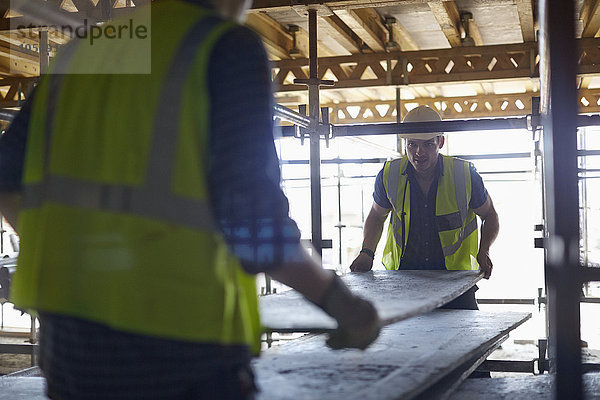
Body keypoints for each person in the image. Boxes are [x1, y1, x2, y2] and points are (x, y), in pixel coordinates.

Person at [0, 1, 379, 398]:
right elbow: (254, 226)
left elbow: (6, 181)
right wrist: (341, 304)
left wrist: (73, 257)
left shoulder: (84, 50)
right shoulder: (222, 47)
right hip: (180, 351)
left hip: (71, 351)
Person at [349, 105, 499, 310]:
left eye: (428, 144)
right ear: (405, 144)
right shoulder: (389, 175)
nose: (419, 152)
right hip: (403, 283)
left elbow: (489, 215)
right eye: (412, 145)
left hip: (455, 284)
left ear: (441, 142)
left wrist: (484, 250)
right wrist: (367, 252)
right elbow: (376, 215)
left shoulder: (464, 175)